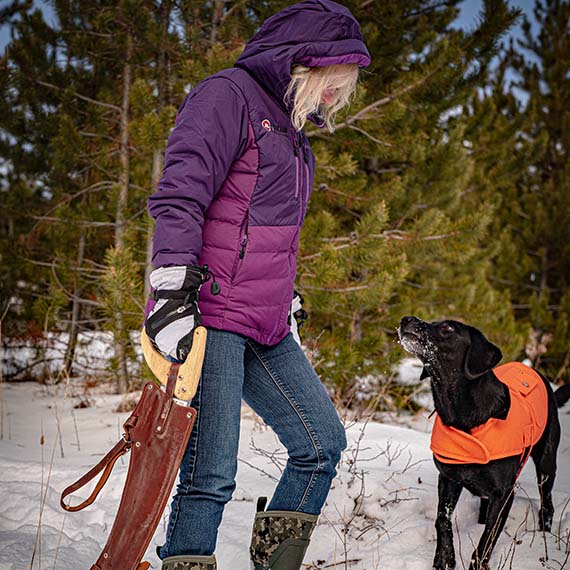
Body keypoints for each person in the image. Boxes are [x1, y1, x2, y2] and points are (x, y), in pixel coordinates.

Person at [144, 1, 371, 568]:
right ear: (301, 62)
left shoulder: (292, 131)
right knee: (210, 473)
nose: (330, 98)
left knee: (321, 445)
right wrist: (170, 292)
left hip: (265, 321)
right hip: (211, 314)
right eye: (329, 83)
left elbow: (268, 229)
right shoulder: (227, 96)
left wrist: (284, 295)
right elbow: (181, 196)